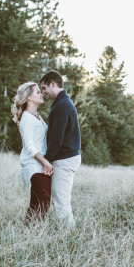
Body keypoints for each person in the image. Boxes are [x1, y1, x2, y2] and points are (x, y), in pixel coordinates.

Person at [40, 70, 81, 225]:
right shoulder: (62, 103)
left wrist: (47, 161)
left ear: (53, 84)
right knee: (60, 200)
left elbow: (57, 138)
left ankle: (69, 239)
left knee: (61, 202)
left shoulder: (62, 105)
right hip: (66, 157)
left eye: (44, 88)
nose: (43, 93)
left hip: (65, 159)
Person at [11, 81, 54, 224]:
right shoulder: (27, 118)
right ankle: (33, 234)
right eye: (37, 92)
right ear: (29, 97)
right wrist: (46, 163)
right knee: (43, 203)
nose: (41, 94)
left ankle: (26, 233)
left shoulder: (37, 116)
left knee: (36, 205)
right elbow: (29, 146)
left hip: (41, 166)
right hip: (35, 167)